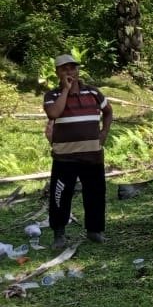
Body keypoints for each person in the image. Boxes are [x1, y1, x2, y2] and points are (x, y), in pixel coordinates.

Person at [43, 53, 113, 250]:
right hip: (65, 157)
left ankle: (95, 231)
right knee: (60, 196)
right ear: (57, 72)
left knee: (95, 194)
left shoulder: (93, 92)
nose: (69, 71)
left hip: (92, 155)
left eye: (72, 67)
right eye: (64, 68)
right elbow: (53, 113)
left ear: (77, 69)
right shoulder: (52, 96)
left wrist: (104, 132)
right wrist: (65, 89)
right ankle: (59, 234)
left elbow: (108, 112)